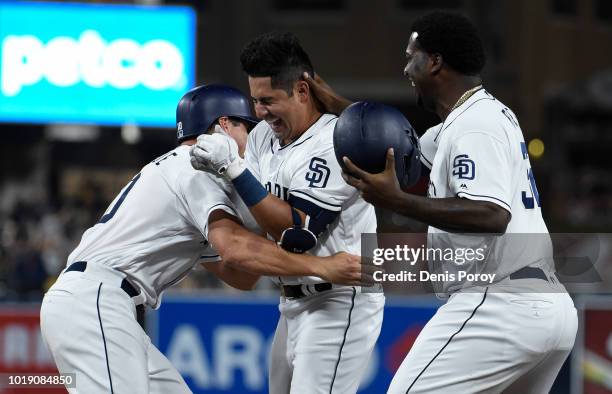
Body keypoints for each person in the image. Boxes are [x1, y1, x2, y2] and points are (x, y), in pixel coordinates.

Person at [306, 11, 577, 394]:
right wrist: (338, 105)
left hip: (500, 303)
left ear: (434, 62)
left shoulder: (475, 125)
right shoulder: (474, 118)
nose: (405, 68)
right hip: (544, 304)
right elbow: (399, 145)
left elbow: (491, 214)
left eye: (410, 55)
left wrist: (397, 201)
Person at [39, 84, 371, 394]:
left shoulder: (184, 173)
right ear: (225, 124)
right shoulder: (195, 165)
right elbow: (236, 249)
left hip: (103, 304)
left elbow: (241, 275)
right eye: (247, 126)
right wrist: (322, 267)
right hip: (96, 301)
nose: (254, 139)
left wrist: (268, 222)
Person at [190, 32, 384, 394]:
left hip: (340, 299)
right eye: (254, 101)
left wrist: (234, 169)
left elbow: (297, 232)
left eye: (268, 100)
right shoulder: (263, 135)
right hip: (292, 301)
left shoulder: (334, 142)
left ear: (302, 92)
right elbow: (255, 212)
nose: (260, 111)